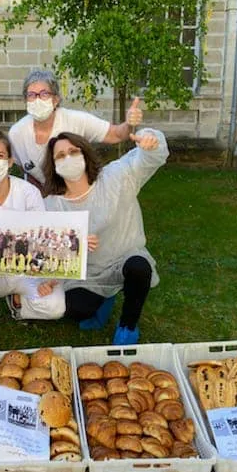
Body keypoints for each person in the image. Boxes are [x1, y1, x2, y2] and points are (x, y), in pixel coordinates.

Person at [42, 127, 168, 345]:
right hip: (88, 272)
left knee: (139, 268)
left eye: (73, 151)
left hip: (125, 256)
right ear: (53, 166)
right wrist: (58, 267)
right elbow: (48, 249)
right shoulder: (52, 205)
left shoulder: (116, 177)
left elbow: (147, 159)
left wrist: (151, 140)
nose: (68, 158)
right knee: (75, 309)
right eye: (60, 156)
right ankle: (103, 299)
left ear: (85, 153)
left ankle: (128, 326)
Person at [0, 129, 65, 352]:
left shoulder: (28, 192)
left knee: (56, 307)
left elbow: (42, 238)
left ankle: (18, 302)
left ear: (10, 161)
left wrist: (49, 275)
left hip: (25, 268)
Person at [8, 69, 143, 189]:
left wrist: (129, 124)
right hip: (39, 198)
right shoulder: (16, 133)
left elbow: (117, 135)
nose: (37, 100)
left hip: (77, 194)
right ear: (25, 101)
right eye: (31, 95)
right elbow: (22, 166)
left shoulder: (76, 121)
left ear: (55, 99)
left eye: (44, 94)